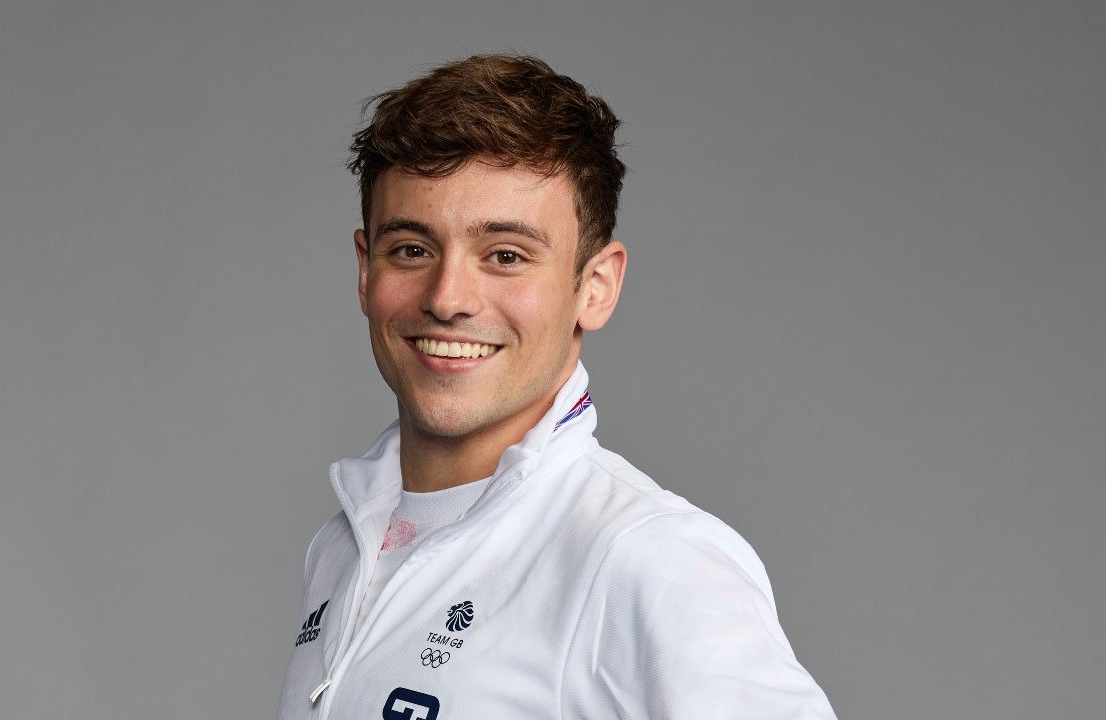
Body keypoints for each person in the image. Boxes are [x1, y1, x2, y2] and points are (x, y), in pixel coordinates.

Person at [276, 54, 837, 720]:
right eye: (412, 249)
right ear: (366, 272)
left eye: (506, 256)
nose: (448, 298)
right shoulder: (344, 546)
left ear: (595, 287)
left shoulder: (648, 558)